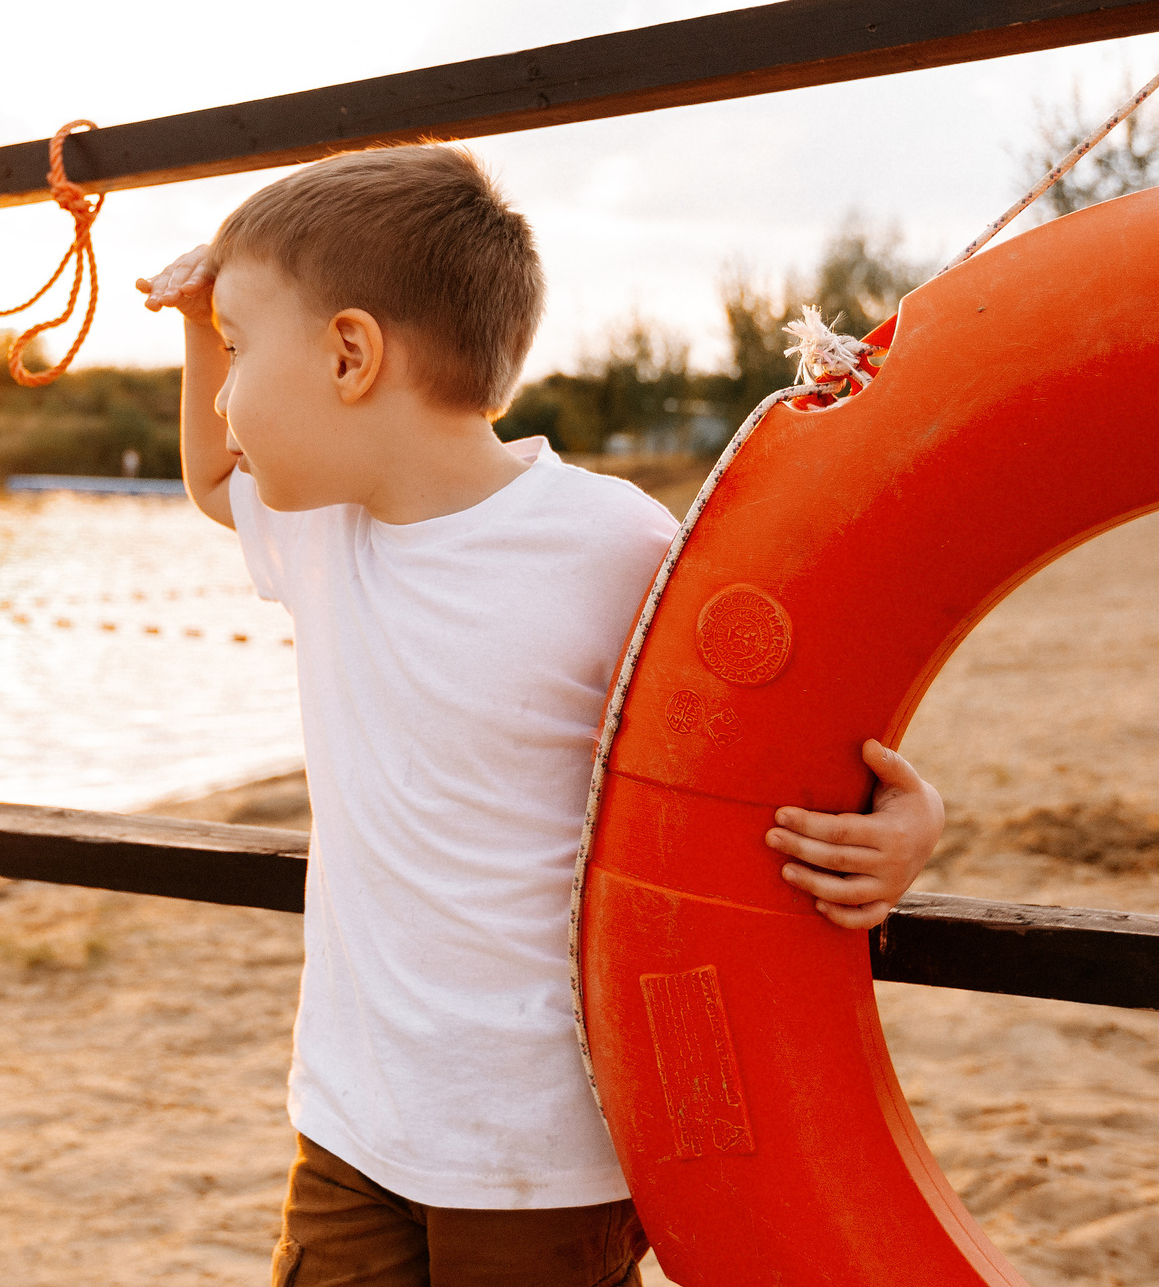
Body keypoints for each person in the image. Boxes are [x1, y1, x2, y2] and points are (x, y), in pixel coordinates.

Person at [137, 142, 946, 1287]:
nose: (222, 396)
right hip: (353, 1113)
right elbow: (216, 481)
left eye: (235, 353)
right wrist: (192, 324)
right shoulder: (323, 531)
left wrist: (904, 826)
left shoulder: (612, 548)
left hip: (550, 1140)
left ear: (350, 354)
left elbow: (770, 737)